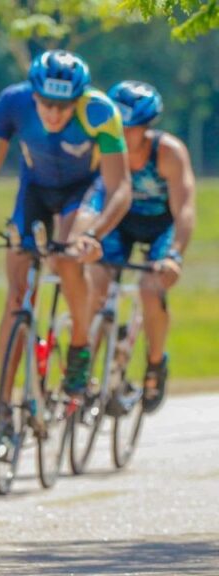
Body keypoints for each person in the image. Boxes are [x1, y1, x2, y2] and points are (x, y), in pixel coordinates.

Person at [0, 50, 132, 459]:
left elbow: (121, 187)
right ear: (33, 94)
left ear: (79, 99)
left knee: (68, 253)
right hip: (34, 191)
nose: (54, 114)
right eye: (46, 104)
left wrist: (95, 234)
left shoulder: (100, 110)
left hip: (83, 195)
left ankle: (78, 349)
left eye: (63, 106)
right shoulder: (13, 101)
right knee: (16, 290)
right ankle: (3, 409)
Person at [89, 81, 195, 413]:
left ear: (145, 127)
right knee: (97, 285)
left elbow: (185, 208)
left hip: (160, 225)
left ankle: (155, 363)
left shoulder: (168, 153)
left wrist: (175, 254)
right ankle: (92, 373)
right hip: (119, 223)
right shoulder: (102, 147)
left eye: (129, 129)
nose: (120, 135)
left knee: (151, 288)